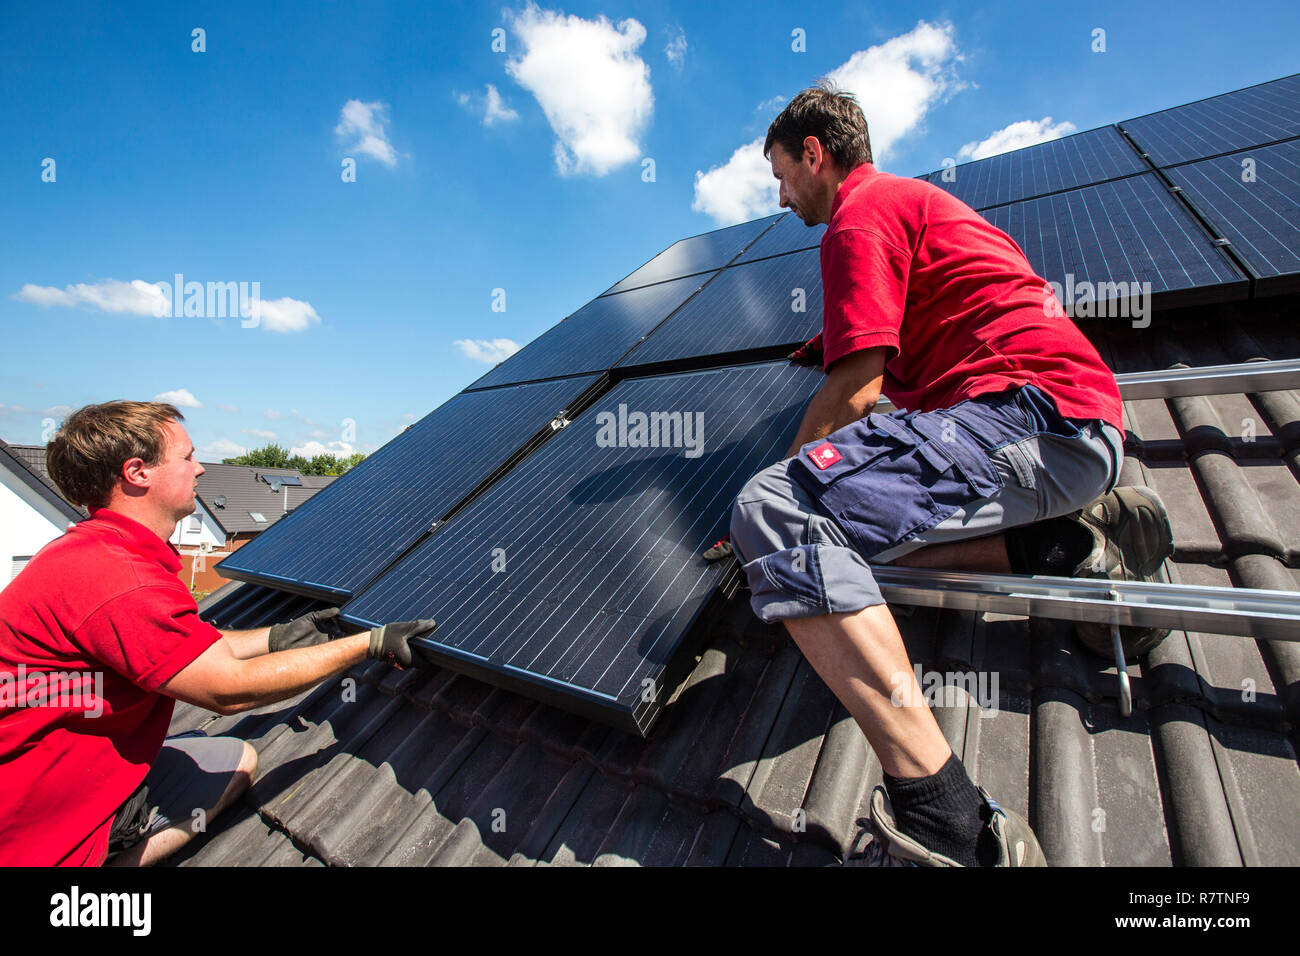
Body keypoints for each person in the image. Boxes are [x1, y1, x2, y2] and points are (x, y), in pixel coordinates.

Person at [724, 83, 1174, 867]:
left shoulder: (859, 217)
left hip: (1027, 418)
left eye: (780, 174)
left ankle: (949, 817)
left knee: (774, 510)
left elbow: (859, 383)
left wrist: (797, 460)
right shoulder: (912, 208)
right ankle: (1069, 546)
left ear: (814, 154)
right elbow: (873, 334)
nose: (779, 192)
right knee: (845, 555)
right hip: (1075, 431)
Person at [0, 401, 434, 866]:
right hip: (36, 817)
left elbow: (181, 645)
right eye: (186, 457)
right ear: (136, 472)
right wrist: (366, 643)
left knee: (232, 758)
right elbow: (228, 690)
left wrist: (276, 637)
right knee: (236, 766)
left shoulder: (95, 551)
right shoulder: (119, 578)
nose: (201, 468)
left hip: (51, 772)